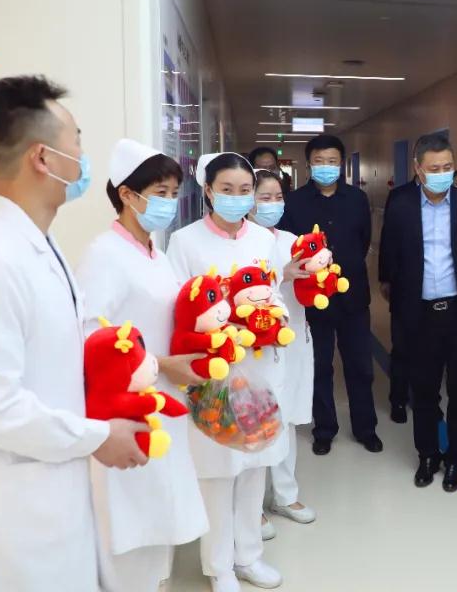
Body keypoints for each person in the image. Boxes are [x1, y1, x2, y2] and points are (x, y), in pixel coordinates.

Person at [0, 76, 147, 592]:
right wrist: (99, 436)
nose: (83, 157)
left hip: (50, 496)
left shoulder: (35, 246)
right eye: (76, 141)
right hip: (11, 519)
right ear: (43, 158)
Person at [77, 139, 210, 592]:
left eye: (174, 193)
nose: (169, 203)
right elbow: (93, 342)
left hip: (164, 401)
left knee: (159, 515)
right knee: (131, 522)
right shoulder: (104, 255)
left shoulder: (156, 254)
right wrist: (164, 364)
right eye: (160, 193)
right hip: (126, 409)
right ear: (127, 195)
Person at [167, 152, 285, 592]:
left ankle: (248, 556)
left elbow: (272, 293)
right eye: (227, 189)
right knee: (217, 470)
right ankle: (219, 567)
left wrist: (275, 319)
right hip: (213, 372)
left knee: (254, 463)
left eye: (245, 190)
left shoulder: (264, 240)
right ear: (209, 191)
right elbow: (179, 310)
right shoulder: (185, 242)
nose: (237, 198)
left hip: (259, 367)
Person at [380, 134, 457, 491]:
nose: (442, 174)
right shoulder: (401, 205)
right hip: (419, 313)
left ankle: (456, 455)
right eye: (434, 168)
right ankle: (427, 454)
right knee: (424, 390)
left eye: (448, 167)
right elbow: (390, 255)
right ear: (418, 168)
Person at [280, 135, 381, 455]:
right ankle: (324, 429)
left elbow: (363, 241)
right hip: (313, 299)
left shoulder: (357, 199)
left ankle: (366, 428)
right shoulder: (294, 203)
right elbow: (289, 248)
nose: (326, 167)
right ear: (309, 164)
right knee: (319, 366)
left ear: (341, 163)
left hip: (353, 297)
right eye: (320, 161)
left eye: (332, 161)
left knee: (361, 366)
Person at [247, 169, 318, 528]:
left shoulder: (292, 240)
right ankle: (252, 506)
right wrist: (282, 274)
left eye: (278, 197)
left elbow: (307, 290)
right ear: (249, 201)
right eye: (265, 197)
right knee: (259, 421)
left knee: (287, 417)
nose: (273, 204)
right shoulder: (243, 242)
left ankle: (285, 495)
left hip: (293, 339)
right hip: (258, 346)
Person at [381, 174, 419, 424]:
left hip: (437, 291)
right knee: (403, 347)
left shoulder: (449, 197)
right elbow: (388, 241)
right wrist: (386, 278)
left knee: (430, 350)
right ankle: (398, 399)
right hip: (405, 285)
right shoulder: (399, 196)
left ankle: (429, 400)